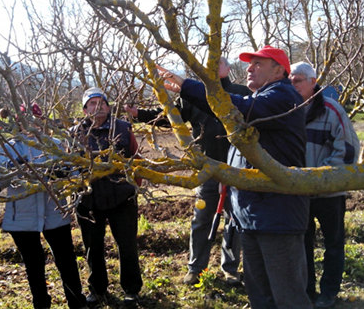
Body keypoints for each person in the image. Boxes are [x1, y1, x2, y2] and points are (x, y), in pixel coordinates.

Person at [160, 47, 312, 309]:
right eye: (249, 64)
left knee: (288, 298)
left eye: (258, 64)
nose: (250, 68)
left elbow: (236, 107)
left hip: (277, 217)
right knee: (260, 295)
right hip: (253, 215)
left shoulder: (281, 97)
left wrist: (188, 86)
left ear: (279, 70)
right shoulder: (262, 97)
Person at [125, 57, 251, 286]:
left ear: (228, 68)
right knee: (202, 219)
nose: (213, 69)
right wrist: (139, 114)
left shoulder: (241, 93)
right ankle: (196, 268)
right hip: (206, 169)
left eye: (218, 64)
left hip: (237, 169)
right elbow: (174, 117)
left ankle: (230, 269)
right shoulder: (194, 95)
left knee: (235, 221)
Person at [0, 103, 87, 309]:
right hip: (22, 218)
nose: (30, 124)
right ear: (17, 122)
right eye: (24, 120)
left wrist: (64, 175)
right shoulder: (9, 149)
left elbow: (73, 175)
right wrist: (12, 172)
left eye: (34, 119)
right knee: (33, 265)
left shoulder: (54, 144)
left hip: (54, 213)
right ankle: (41, 303)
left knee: (66, 260)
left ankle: (76, 301)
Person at [290, 62, 360, 308]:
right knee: (302, 244)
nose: (293, 85)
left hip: (330, 192)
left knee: (333, 243)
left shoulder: (332, 109)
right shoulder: (287, 111)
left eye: (297, 80)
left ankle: (329, 292)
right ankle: (307, 291)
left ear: (312, 81)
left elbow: (348, 150)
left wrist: (321, 176)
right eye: (290, 80)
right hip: (299, 192)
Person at [70, 87, 142, 306]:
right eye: (92, 103)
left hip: (121, 197)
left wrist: (134, 188)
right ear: (84, 110)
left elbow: (137, 159)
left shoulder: (122, 128)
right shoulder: (75, 134)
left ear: (109, 107)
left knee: (127, 244)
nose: (97, 106)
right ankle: (97, 289)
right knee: (93, 247)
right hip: (89, 200)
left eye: (101, 102)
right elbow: (69, 166)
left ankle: (131, 289)